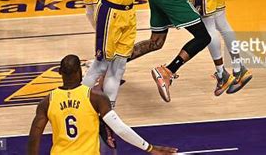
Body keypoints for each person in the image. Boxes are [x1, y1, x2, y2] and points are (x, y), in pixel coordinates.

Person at [27, 54, 178, 154]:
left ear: (59, 72)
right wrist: (150, 148)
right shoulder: (95, 97)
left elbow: (34, 136)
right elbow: (120, 128)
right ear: (80, 73)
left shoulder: (47, 101)